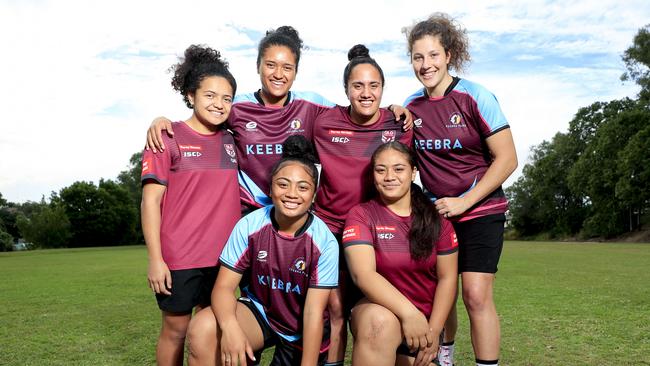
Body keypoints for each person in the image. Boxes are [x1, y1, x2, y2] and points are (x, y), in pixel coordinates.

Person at [144, 26, 411, 212]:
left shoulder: (312, 103)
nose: (278, 74)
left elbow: (356, 110)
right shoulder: (236, 105)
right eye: (270, 65)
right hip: (247, 209)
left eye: (287, 67)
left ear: (296, 72)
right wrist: (162, 120)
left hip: (295, 209)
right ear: (258, 65)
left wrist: (391, 109)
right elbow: (201, 119)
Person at [402, 13, 518, 366]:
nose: (426, 65)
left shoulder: (475, 96)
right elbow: (403, 158)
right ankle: (445, 356)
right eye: (418, 57)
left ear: (449, 54)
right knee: (443, 294)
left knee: (476, 294)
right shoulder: (411, 106)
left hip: (481, 211)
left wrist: (465, 200)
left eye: (433, 55)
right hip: (438, 215)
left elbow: (508, 159)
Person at [185, 135, 339, 366]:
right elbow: (223, 288)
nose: (292, 194)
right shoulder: (250, 225)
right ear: (270, 187)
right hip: (261, 314)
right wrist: (231, 329)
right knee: (203, 329)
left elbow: (313, 313)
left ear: (314, 194)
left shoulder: (323, 242)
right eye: (283, 184)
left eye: (303, 187)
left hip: (300, 329)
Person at [310, 44, 414, 364]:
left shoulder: (399, 125)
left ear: (383, 88)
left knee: (382, 309)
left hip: (378, 232)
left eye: (374, 85)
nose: (366, 93)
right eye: (358, 85)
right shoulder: (323, 122)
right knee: (335, 311)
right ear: (345, 90)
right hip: (331, 229)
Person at [141, 45, 241, 366]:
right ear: (190, 95)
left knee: (210, 330)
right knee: (176, 331)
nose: (219, 104)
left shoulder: (232, 139)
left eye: (227, 98)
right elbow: (150, 202)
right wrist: (156, 259)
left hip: (226, 258)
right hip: (180, 258)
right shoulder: (167, 137)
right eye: (210, 95)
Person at [343, 141, 458, 366]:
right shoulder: (361, 215)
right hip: (379, 315)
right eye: (380, 169)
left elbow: (448, 279)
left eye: (398, 169)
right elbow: (363, 275)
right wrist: (409, 313)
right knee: (380, 322)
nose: (389, 176)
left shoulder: (438, 222)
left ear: (413, 172)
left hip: (421, 329)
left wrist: (434, 332)